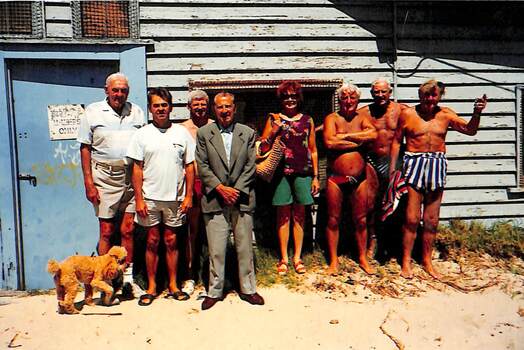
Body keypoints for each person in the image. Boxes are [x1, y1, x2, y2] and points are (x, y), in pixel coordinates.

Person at [390, 80, 487, 279]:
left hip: (436, 163)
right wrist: (393, 170)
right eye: (426, 96)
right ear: (420, 96)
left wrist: (477, 113)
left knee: (431, 220)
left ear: (439, 97)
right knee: (411, 218)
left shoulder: (445, 114)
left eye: (434, 96)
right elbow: (396, 141)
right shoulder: (408, 114)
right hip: (414, 163)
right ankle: (406, 262)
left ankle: (427, 261)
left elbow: (470, 130)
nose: (430, 100)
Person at [77, 72, 145, 299]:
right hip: (103, 177)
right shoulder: (93, 112)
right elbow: (85, 148)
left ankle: (127, 281)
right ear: (106, 91)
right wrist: (89, 182)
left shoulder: (136, 111)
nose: (119, 94)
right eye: (115, 90)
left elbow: (143, 146)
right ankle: (103, 280)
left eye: (123, 90)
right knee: (107, 230)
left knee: (128, 229)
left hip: (130, 175)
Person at [195, 92, 264, 310]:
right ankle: (215, 291)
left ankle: (248, 289)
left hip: (242, 197)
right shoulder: (204, 133)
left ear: (234, 108)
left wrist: (235, 190)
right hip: (215, 197)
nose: (224, 111)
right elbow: (202, 165)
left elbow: (250, 166)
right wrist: (220, 188)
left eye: (228, 107)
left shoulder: (247, 133)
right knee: (216, 248)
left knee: (244, 246)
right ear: (214, 109)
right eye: (219, 107)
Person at [126, 88, 195, 305]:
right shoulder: (142, 134)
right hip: (150, 198)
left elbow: (190, 166)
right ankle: (152, 286)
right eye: (156, 105)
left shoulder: (181, 133)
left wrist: (188, 196)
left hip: (175, 198)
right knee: (152, 241)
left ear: (171, 107)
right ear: (150, 109)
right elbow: (136, 168)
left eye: (164, 105)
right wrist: (138, 199)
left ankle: (174, 285)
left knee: (172, 240)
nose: (161, 109)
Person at [259, 81, 319, 275]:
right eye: (286, 96)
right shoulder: (273, 119)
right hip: (280, 174)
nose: (290, 100)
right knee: (283, 215)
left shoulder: (307, 120)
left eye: (293, 96)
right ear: (281, 99)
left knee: (300, 215)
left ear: (299, 98)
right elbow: (263, 148)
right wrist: (274, 132)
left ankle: (298, 257)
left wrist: (316, 177)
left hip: (303, 172)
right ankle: (284, 258)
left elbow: (313, 150)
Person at [323, 84, 377, 275]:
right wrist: (358, 141)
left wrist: (345, 136)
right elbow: (329, 142)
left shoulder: (363, 118)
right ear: (339, 99)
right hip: (336, 178)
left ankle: (362, 257)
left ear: (357, 100)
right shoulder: (332, 118)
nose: (348, 101)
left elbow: (373, 135)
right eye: (344, 97)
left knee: (361, 220)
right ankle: (333, 261)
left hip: (360, 178)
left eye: (352, 98)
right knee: (333, 220)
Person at [358, 78, 407, 258]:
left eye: (383, 92)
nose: (380, 95)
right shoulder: (364, 112)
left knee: (397, 202)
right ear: (371, 94)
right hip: (372, 159)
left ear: (390, 92)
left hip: (395, 160)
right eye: (376, 92)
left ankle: (396, 243)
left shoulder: (402, 110)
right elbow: (341, 119)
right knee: (370, 203)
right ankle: (373, 240)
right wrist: (314, 130)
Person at [180, 90, 214, 296]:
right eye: (196, 104)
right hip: (192, 185)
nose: (200, 107)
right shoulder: (182, 129)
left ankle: (213, 275)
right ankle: (190, 275)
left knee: (213, 230)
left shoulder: (214, 125)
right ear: (189, 107)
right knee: (191, 232)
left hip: (213, 185)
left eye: (203, 104)